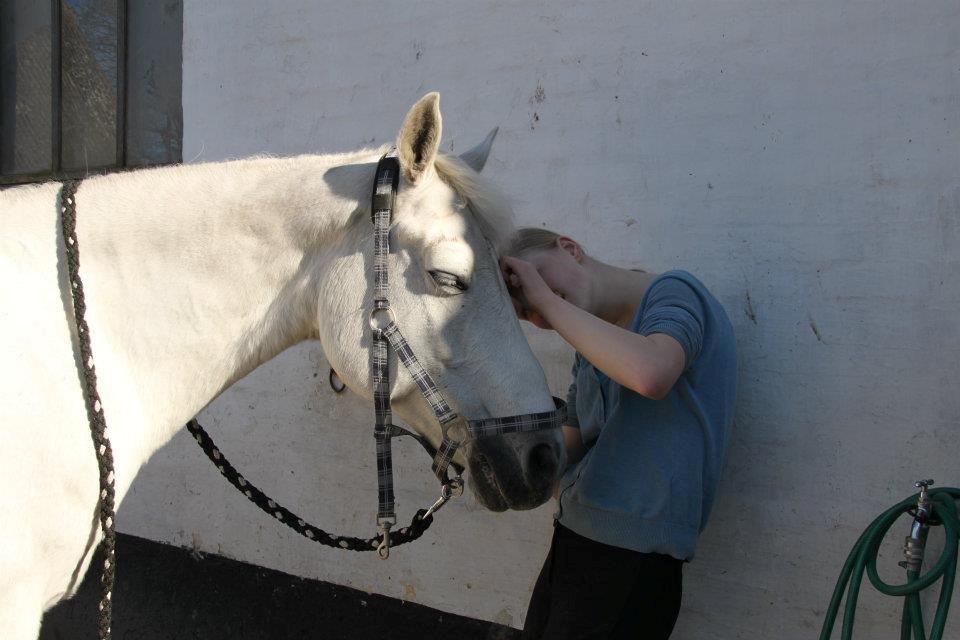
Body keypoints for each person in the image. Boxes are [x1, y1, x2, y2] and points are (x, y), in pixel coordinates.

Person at [499, 228, 737, 640]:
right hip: (574, 537)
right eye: (524, 310)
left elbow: (652, 373)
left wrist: (546, 300)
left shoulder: (674, 292)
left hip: (633, 557)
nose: (537, 314)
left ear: (570, 248)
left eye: (535, 281)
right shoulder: (589, 344)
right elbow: (570, 445)